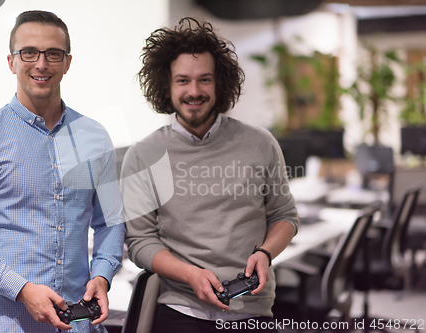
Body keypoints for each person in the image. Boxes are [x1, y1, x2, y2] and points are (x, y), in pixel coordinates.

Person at [0, 10, 126, 333]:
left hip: (80, 322)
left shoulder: (94, 137)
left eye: (53, 54)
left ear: (67, 62)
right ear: (12, 61)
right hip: (7, 324)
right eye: (29, 52)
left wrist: (102, 275)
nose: (41, 64)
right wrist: (21, 289)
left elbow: (110, 220)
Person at [121, 18, 298, 333]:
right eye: (182, 80)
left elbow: (285, 216)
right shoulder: (142, 155)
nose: (194, 91)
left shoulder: (260, 143)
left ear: (220, 83)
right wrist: (190, 274)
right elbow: (139, 242)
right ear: (166, 85)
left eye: (204, 79)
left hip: (253, 311)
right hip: (179, 311)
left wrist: (265, 253)